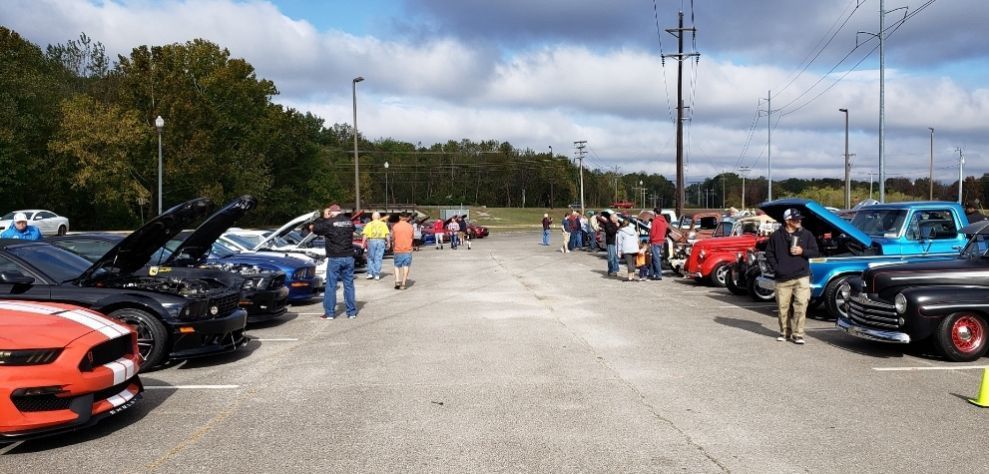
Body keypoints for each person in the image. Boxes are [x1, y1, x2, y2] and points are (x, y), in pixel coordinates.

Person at [765, 208, 820, 344]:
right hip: (782, 277)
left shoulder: (806, 234)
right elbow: (769, 253)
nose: (799, 221)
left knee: (801, 304)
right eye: (796, 219)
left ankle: (798, 334)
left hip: (801, 276)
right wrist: (776, 268)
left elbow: (815, 252)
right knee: (783, 307)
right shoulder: (776, 236)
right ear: (787, 221)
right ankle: (784, 332)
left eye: (800, 219)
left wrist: (803, 251)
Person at [310, 204, 357, 319]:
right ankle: (351, 312)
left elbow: (315, 229)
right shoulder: (349, 222)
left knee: (331, 285)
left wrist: (320, 219)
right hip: (349, 257)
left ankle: (330, 313)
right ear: (340, 211)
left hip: (335, 258)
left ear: (331, 212)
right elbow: (354, 229)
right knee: (349, 285)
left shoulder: (329, 223)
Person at [361, 212, 390, 280]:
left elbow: (365, 235)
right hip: (381, 241)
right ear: (379, 217)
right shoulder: (383, 224)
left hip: (371, 241)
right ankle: (377, 274)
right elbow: (387, 234)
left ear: (372, 217)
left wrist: (363, 243)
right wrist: (388, 242)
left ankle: (370, 273)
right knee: (378, 258)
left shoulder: (368, 224)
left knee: (370, 257)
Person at [391, 212, 414, 290]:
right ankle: (403, 283)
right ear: (407, 218)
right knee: (406, 266)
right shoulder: (410, 227)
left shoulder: (395, 226)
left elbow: (393, 238)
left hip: (398, 249)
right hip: (407, 249)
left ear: (400, 217)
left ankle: (397, 281)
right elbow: (412, 237)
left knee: (397, 266)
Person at [648, 209, 668, 280]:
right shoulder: (664, 221)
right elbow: (665, 230)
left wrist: (650, 240)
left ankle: (658, 275)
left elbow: (652, 233)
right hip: (661, 241)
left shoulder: (655, 221)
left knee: (656, 259)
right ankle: (651, 273)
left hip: (655, 241)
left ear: (655, 213)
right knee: (654, 258)